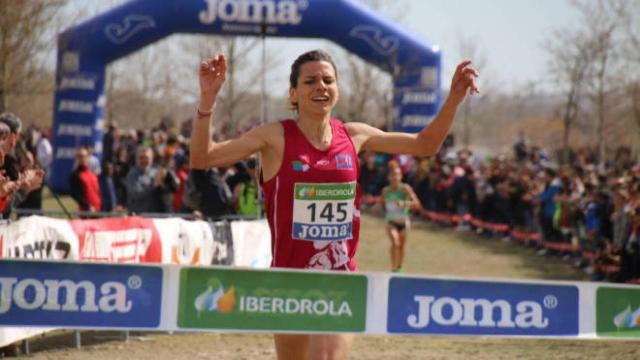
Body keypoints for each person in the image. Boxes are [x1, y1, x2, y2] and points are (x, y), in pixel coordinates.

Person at [190, 50, 478, 360]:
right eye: (310, 81)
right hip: (288, 281)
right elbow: (203, 157)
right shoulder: (274, 137)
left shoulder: (354, 135)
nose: (321, 87)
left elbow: (425, 144)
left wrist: (453, 100)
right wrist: (207, 101)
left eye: (328, 80)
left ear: (337, 89)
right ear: (293, 93)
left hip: (340, 281)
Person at [380, 162, 421, 272]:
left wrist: (405, 203)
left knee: (401, 246)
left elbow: (417, 204)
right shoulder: (385, 191)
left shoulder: (405, 189)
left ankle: (399, 268)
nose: (395, 177)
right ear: (389, 177)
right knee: (395, 242)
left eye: (397, 174)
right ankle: (393, 268)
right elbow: (381, 204)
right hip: (390, 222)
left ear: (401, 176)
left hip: (403, 222)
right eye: (393, 175)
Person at [69, 147, 101, 214]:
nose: (83, 159)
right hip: (87, 212)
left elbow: (97, 191)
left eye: (85, 156)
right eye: (80, 156)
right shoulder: (76, 175)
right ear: (77, 158)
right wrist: (88, 206)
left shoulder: (92, 174)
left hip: (99, 210)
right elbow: (75, 194)